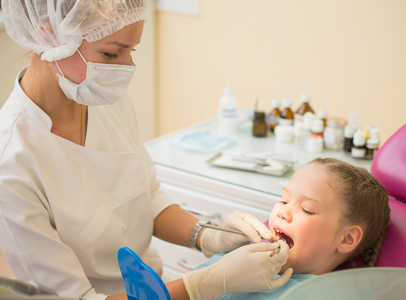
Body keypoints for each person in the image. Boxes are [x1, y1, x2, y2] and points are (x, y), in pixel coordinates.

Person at [0, 1, 293, 300]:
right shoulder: (12, 165)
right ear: (48, 36)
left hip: (154, 288)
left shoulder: (103, 100)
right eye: (111, 53)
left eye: (132, 50)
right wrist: (203, 284)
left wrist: (208, 235)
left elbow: (145, 196)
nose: (127, 67)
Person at [192, 157, 391, 299]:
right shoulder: (235, 258)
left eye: (307, 210)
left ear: (347, 239)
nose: (282, 212)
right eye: (284, 200)